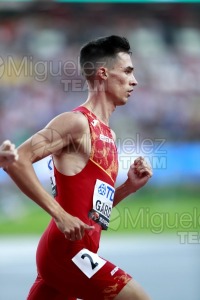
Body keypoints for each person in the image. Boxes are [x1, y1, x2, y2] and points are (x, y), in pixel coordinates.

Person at [5, 35, 153, 300]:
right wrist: (59, 215)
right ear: (104, 73)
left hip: (79, 252)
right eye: (128, 71)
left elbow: (92, 213)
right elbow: (16, 160)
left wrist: (128, 188)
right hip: (67, 252)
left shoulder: (108, 134)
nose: (135, 81)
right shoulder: (75, 123)